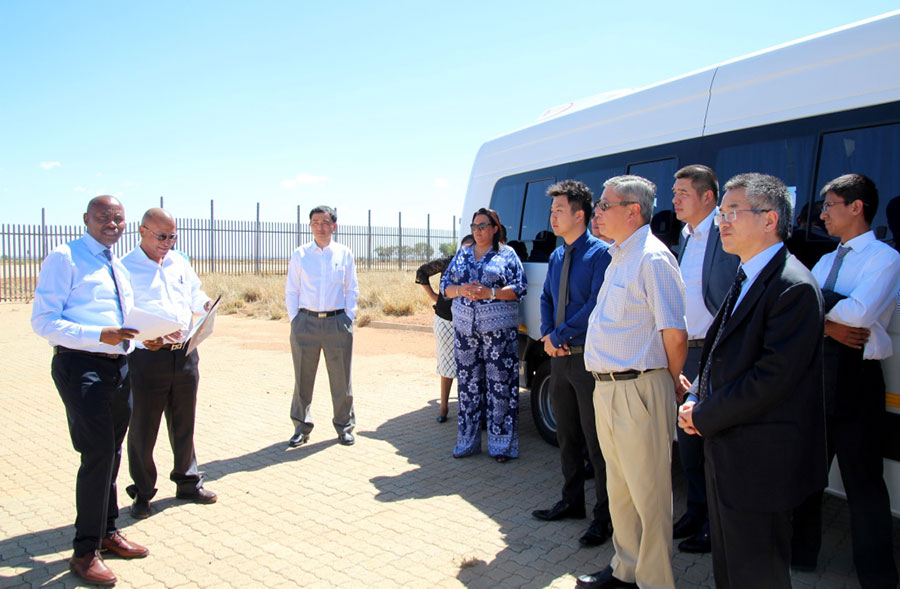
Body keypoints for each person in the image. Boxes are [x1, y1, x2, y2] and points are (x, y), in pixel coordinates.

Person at [678, 173, 827, 589]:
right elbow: (723, 350)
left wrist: (704, 413)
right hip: (730, 452)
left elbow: (771, 378)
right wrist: (697, 394)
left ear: (769, 219)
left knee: (757, 573)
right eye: (721, 212)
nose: (721, 221)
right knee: (732, 568)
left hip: (761, 463)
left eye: (732, 212)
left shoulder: (791, 285)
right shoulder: (748, 274)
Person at [575, 175, 687, 589]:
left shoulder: (653, 259)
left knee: (650, 496)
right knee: (619, 488)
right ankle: (626, 571)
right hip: (607, 389)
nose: (597, 212)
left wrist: (670, 382)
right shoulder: (619, 255)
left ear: (633, 210)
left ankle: (655, 581)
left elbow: (674, 333)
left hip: (640, 390)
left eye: (604, 205)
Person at [31, 196, 149, 586]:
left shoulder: (116, 261)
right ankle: (84, 552)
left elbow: (124, 317)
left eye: (118, 218)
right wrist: (99, 335)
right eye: (103, 217)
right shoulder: (65, 258)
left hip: (119, 366)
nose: (112, 223)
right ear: (86, 219)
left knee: (112, 452)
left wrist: (147, 334)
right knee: (97, 454)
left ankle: (107, 531)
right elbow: (44, 321)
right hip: (80, 366)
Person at [791, 174, 900, 587]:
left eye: (830, 205)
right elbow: (800, 309)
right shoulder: (825, 258)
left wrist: (821, 313)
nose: (822, 214)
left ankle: (877, 576)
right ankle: (801, 557)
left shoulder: (884, 258)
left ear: (857, 207)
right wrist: (827, 326)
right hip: (819, 374)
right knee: (808, 478)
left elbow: (856, 316)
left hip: (857, 380)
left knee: (865, 485)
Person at [530, 180, 613, 547]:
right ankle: (572, 501)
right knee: (567, 437)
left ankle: (604, 518)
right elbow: (547, 296)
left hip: (587, 361)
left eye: (559, 210)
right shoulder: (557, 255)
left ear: (580, 215)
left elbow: (595, 305)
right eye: (552, 211)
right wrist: (548, 334)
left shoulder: (601, 254)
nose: (553, 216)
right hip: (559, 360)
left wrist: (559, 335)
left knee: (597, 444)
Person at [121, 208, 217, 519]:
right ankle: (143, 493)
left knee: (184, 422)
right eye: (162, 236)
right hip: (147, 358)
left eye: (173, 236)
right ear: (142, 231)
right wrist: (142, 339)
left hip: (185, 353)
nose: (168, 243)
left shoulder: (179, 262)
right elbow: (122, 316)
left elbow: (193, 292)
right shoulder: (124, 268)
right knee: (143, 429)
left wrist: (204, 305)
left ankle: (188, 481)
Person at [670, 165, 740, 555]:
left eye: (682, 192)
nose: (675, 199)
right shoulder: (686, 236)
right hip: (687, 352)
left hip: (715, 352)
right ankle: (695, 513)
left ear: (708, 197)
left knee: (713, 441)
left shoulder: (723, 232)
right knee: (688, 441)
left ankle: (716, 526)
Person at [440, 208, 526, 462]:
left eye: (483, 226)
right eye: (474, 227)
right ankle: (467, 442)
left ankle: (502, 445)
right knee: (468, 388)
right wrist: (461, 289)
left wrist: (491, 292)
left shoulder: (507, 255)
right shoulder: (463, 254)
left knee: (501, 389)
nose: (477, 232)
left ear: (494, 228)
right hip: (466, 332)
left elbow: (520, 288)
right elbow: (445, 286)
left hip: (499, 334)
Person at [285, 205, 359, 447]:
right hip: (305, 323)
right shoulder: (300, 255)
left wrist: (348, 317)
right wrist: (295, 319)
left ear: (334, 226)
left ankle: (344, 426)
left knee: (341, 379)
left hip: (337, 323)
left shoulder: (344, 254)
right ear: (310, 225)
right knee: (303, 378)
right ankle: (301, 427)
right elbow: (292, 290)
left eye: (325, 222)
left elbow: (351, 289)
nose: (320, 226)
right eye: (316, 222)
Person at [415, 234, 475, 423]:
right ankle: (443, 407)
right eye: (464, 248)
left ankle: (469, 408)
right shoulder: (449, 263)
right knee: (447, 364)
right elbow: (422, 272)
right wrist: (434, 296)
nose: (467, 253)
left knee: (470, 366)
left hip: (468, 321)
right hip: (446, 319)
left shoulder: (479, 267)